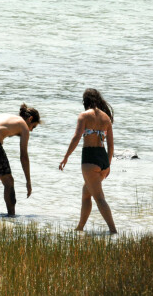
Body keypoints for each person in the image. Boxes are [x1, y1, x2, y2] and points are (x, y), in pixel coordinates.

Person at [59, 89, 117, 233]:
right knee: (86, 193)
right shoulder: (106, 118)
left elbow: (77, 137)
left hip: (90, 159)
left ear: (85, 101)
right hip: (102, 159)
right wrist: (108, 164)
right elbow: (111, 145)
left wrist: (66, 157)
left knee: (99, 198)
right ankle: (80, 228)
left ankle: (113, 230)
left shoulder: (84, 116)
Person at [0, 104, 40, 215]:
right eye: (33, 127)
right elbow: (24, 156)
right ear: (30, 119)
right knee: (9, 182)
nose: (31, 130)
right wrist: (28, 181)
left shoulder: (8, 117)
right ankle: (11, 217)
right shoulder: (23, 125)